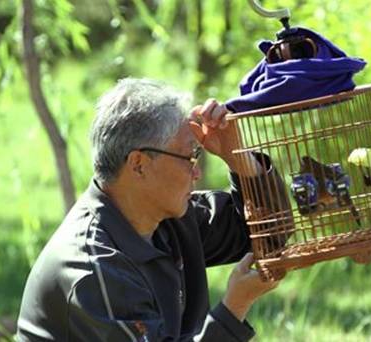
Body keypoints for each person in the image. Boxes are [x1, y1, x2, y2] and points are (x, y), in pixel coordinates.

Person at [16, 78, 287, 341]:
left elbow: (270, 233)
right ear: (138, 164)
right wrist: (234, 307)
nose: (196, 172)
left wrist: (238, 156)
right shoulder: (94, 269)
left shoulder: (168, 217)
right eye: (189, 156)